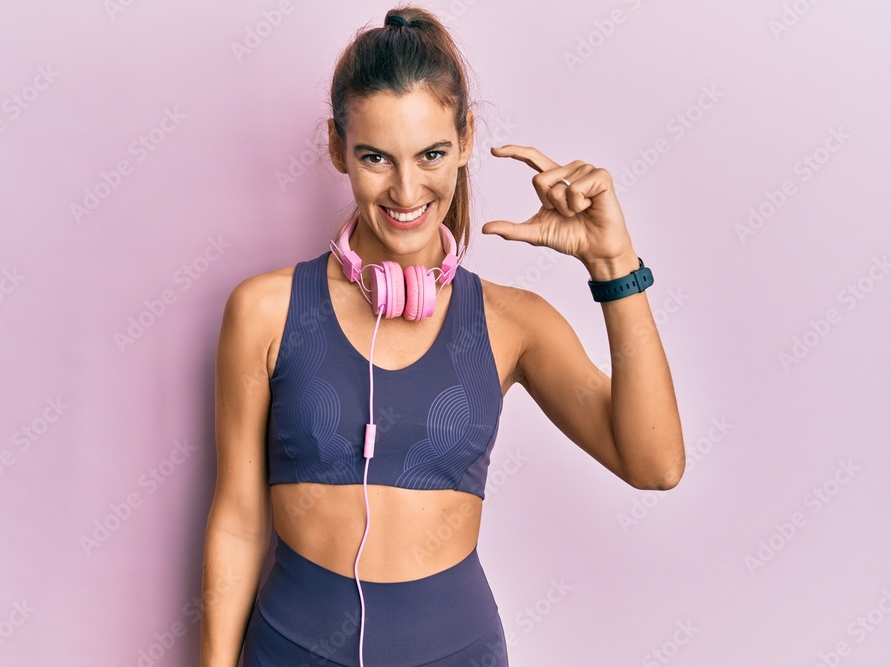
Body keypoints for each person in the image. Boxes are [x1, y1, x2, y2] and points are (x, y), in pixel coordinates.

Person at [199, 6, 685, 666]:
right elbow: (237, 519)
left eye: (430, 154)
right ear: (337, 146)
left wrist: (613, 265)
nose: (406, 189)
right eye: (375, 157)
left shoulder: (513, 323)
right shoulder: (263, 310)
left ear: (464, 141)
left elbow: (656, 463)